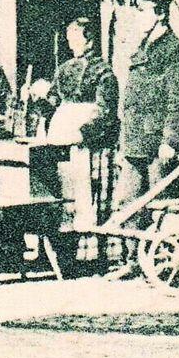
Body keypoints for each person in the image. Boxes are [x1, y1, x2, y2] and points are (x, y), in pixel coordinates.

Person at [114, 0, 179, 272]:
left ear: (159, 14)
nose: (138, 17)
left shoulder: (174, 51)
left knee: (160, 202)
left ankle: (161, 261)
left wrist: (170, 141)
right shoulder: (142, 47)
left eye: (142, 11)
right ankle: (133, 260)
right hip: (136, 139)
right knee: (129, 201)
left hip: (158, 142)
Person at [43, 16, 118, 230]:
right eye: (69, 39)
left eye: (77, 38)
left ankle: (92, 245)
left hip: (92, 146)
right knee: (68, 192)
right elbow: (53, 101)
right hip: (63, 142)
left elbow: (106, 111)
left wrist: (84, 132)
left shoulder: (103, 71)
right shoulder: (65, 69)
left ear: (90, 41)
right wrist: (39, 98)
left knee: (90, 195)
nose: (71, 44)